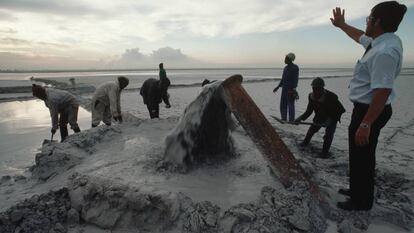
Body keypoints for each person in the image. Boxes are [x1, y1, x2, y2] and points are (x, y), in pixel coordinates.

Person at [330, 1, 406, 210]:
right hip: (366, 109)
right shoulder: (381, 41)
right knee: (358, 153)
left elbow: (383, 91)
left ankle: (361, 201)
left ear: (377, 21)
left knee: (363, 155)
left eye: (369, 18)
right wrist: (342, 25)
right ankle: (357, 190)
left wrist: (366, 124)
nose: (367, 22)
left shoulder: (385, 51)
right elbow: (359, 37)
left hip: (371, 110)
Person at [294, 78, 345, 158]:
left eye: (318, 89)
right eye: (314, 88)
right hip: (319, 116)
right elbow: (309, 111)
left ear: (322, 88)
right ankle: (305, 143)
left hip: (332, 117)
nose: (316, 91)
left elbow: (340, 110)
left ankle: (325, 152)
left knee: (328, 135)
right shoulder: (311, 96)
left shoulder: (332, 96)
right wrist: (300, 118)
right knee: (311, 130)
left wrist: (329, 120)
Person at [273, 52, 299, 122]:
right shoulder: (285, 68)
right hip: (284, 89)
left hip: (290, 89)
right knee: (283, 104)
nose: (284, 59)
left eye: (286, 58)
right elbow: (283, 79)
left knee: (290, 105)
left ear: (290, 59)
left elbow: (295, 79)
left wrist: (293, 89)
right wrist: (278, 87)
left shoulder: (295, 67)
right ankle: (283, 118)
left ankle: (291, 120)